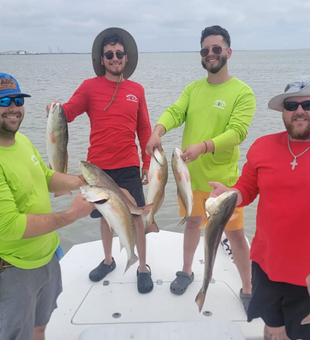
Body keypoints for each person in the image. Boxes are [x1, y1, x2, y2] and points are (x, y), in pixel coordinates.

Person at [146, 25, 256, 311]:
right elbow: (174, 111)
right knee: (192, 223)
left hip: (224, 185)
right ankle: (186, 270)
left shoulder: (242, 92)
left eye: (216, 49)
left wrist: (204, 146)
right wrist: (158, 131)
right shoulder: (193, 89)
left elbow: (237, 132)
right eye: (205, 50)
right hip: (190, 178)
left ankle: (248, 287)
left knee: (235, 235)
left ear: (228, 52)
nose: (210, 54)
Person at [46, 27, 154, 294]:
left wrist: (147, 163)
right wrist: (54, 109)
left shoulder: (136, 89)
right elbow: (67, 114)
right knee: (105, 217)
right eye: (109, 54)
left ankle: (142, 266)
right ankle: (108, 260)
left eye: (119, 53)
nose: (114, 58)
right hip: (98, 168)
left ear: (126, 58)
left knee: (136, 216)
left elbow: (144, 129)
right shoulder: (89, 87)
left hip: (128, 163)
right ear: (102, 59)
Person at [209, 76, 310, 340]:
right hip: (267, 264)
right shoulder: (262, 146)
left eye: (308, 104)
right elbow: (247, 189)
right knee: (273, 330)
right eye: (292, 105)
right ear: (283, 112)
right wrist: (229, 195)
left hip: (307, 275)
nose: (300, 111)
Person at [0, 73, 94, 340]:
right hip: (14, 270)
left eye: (18, 100)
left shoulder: (23, 142)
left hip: (47, 257)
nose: (13, 108)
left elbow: (45, 176)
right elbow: (10, 225)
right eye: (4, 101)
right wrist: (71, 215)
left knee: (40, 328)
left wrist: (82, 181)